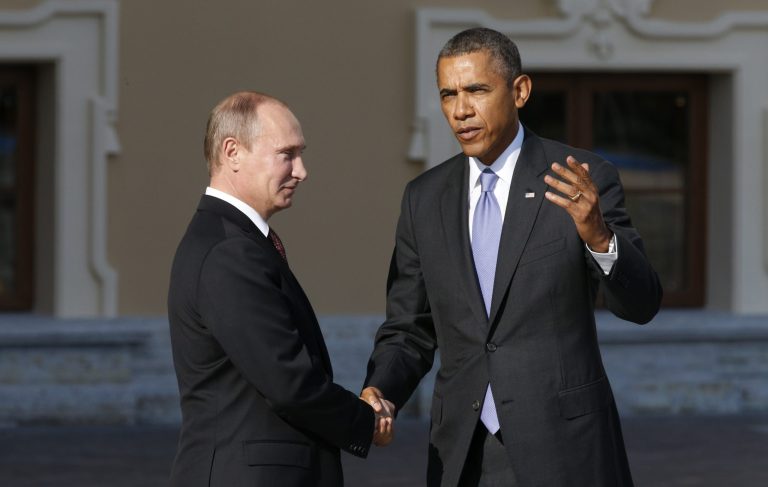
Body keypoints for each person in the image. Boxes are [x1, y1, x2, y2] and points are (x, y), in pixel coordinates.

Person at [361, 28, 662, 486]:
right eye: (448, 95)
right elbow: (409, 328)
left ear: (519, 91)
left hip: (565, 450)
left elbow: (641, 305)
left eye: (476, 90)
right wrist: (381, 390)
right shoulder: (424, 198)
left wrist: (598, 235)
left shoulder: (578, 177)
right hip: (462, 453)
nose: (461, 110)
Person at [168, 91, 392, 487]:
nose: (301, 170)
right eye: (286, 154)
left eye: (300, 154)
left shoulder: (232, 240)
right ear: (232, 152)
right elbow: (288, 381)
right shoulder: (229, 251)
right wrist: (365, 420)